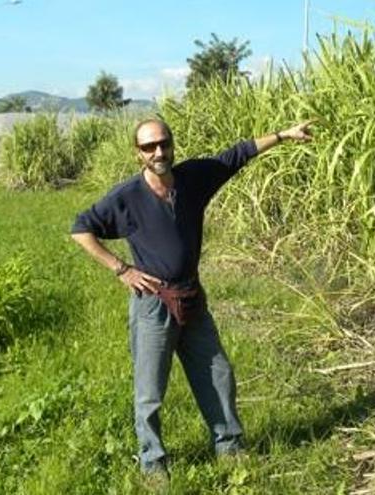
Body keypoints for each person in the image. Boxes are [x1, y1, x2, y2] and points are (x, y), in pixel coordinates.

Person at [70, 118, 313, 484]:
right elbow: (80, 228)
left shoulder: (194, 178)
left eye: (163, 144)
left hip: (193, 298)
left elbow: (237, 154)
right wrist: (122, 269)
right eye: (149, 147)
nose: (158, 152)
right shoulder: (126, 198)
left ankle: (229, 445)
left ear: (172, 144)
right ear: (138, 153)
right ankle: (153, 462)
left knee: (218, 374)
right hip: (153, 303)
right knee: (150, 390)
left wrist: (283, 136)